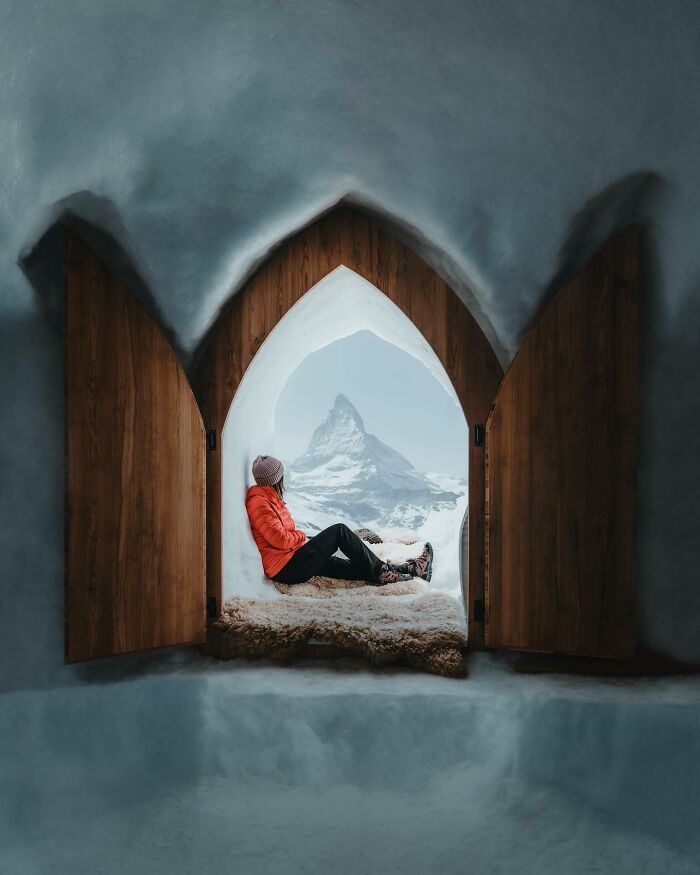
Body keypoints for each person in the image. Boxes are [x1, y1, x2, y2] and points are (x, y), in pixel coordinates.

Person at [245, 454, 434, 586]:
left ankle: (409, 570)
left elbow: (282, 536)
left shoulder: (268, 498)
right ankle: (382, 573)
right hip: (287, 567)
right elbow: (280, 539)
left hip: (292, 560)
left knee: (355, 567)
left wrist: (300, 540)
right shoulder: (260, 503)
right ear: (277, 478)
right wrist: (301, 536)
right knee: (339, 531)